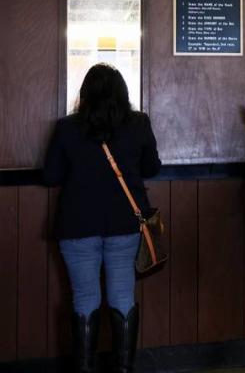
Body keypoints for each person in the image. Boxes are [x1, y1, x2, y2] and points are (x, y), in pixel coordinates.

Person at [44, 63, 161, 373]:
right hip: (124, 224)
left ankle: (84, 368)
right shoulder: (139, 123)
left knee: (84, 297)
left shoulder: (67, 127)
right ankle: (123, 369)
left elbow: (51, 174)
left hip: (77, 225)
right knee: (122, 294)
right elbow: (152, 168)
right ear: (123, 93)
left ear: (84, 94)